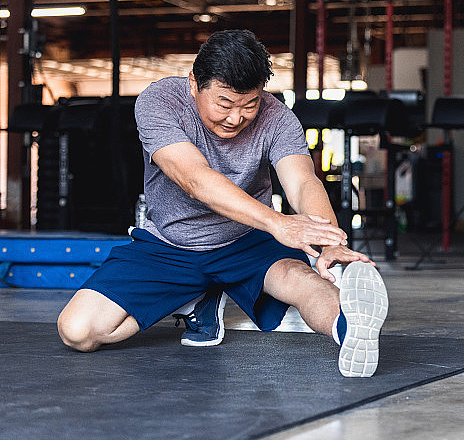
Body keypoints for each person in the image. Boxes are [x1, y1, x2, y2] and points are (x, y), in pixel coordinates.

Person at [57, 29, 388, 378]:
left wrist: (329, 242)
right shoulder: (159, 102)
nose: (235, 118)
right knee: (78, 332)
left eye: (250, 105)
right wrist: (278, 222)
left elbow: (303, 181)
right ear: (193, 83)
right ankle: (194, 298)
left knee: (301, 279)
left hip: (246, 241)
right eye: (224, 104)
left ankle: (350, 331)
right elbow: (194, 179)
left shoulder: (277, 117)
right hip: (171, 245)